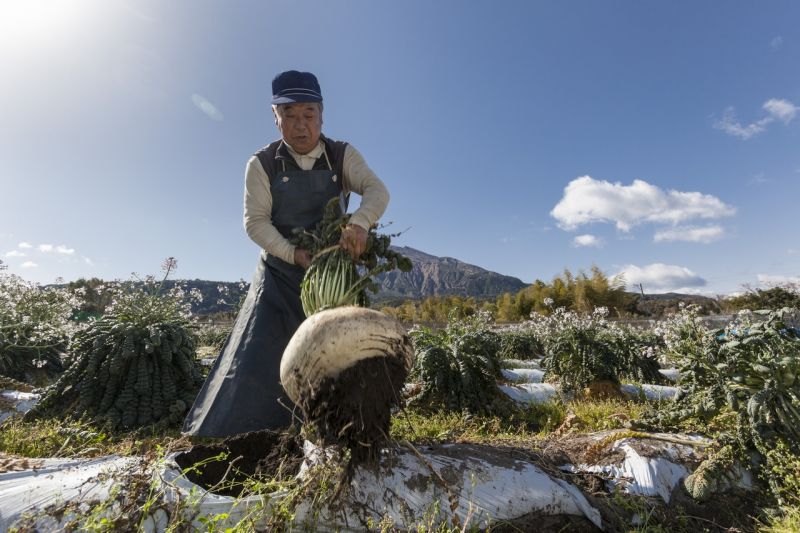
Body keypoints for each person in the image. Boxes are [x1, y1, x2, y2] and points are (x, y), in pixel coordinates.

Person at [183, 70, 390, 437]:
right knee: (257, 363)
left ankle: (340, 435)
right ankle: (239, 440)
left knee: (338, 362)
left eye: (308, 115)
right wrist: (292, 253)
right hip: (279, 277)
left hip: (331, 284)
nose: (300, 126)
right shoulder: (261, 164)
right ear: (275, 117)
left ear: (322, 115)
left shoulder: (342, 155)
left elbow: (377, 191)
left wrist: (359, 223)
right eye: (290, 116)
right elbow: (256, 222)